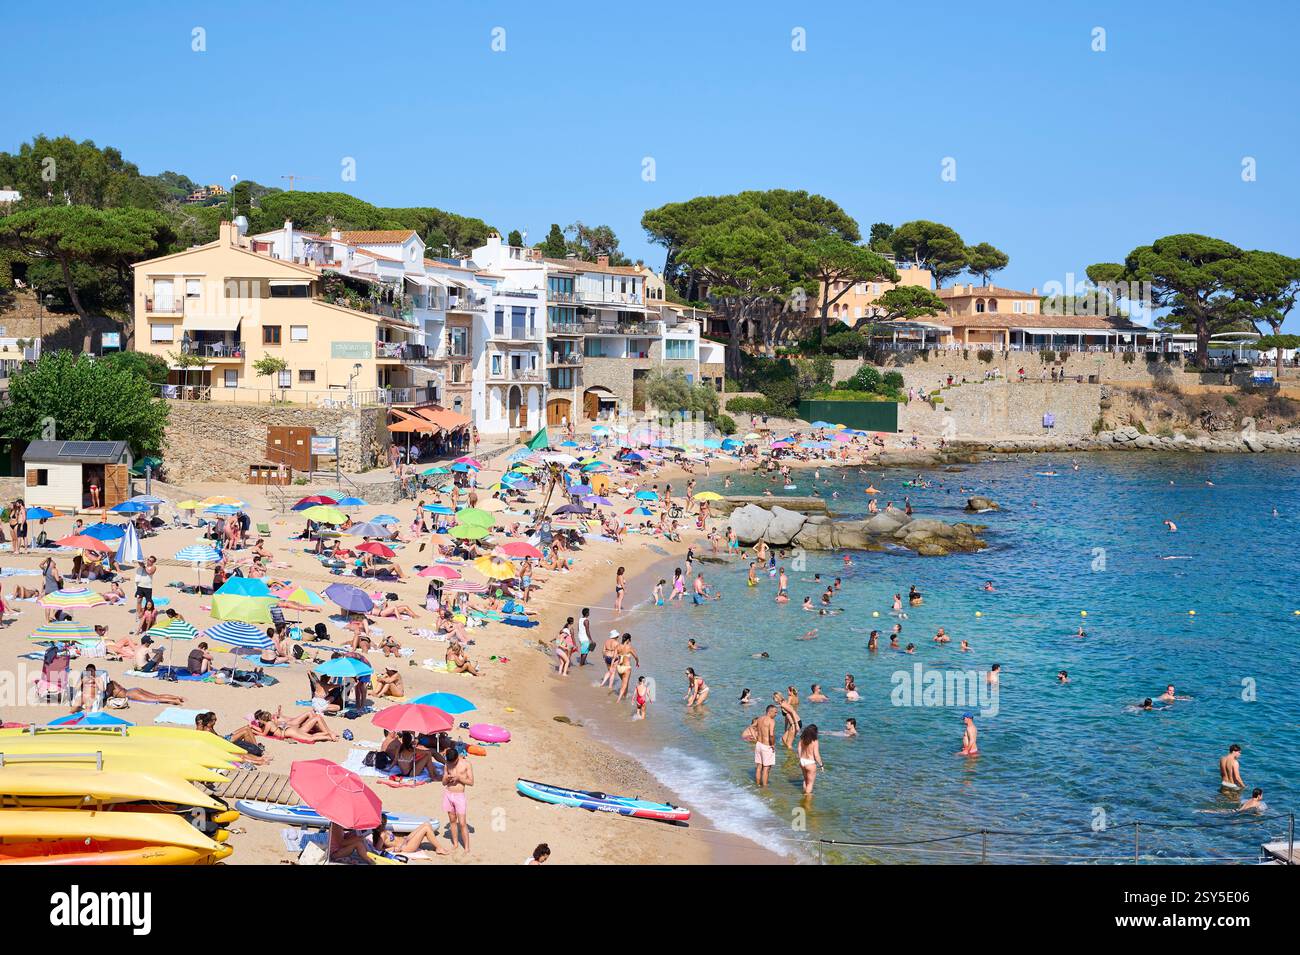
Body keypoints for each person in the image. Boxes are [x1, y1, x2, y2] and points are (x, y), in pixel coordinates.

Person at [441, 745, 473, 852]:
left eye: (453, 762)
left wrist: (459, 778)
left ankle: (467, 848)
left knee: (462, 823)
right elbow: (443, 783)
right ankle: (455, 844)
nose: (451, 765)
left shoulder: (466, 764)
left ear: (457, 758)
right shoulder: (447, 764)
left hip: (459, 796)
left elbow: (471, 782)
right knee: (452, 820)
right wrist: (447, 778)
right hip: (448, 794)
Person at [753, 704, 777, 787]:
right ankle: (765, 789)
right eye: (775, 712)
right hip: (766, 746)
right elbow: (771, 735)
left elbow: (752, 727)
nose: (776, 714)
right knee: (766, 768)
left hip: (758, 744)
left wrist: (755, 737)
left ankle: (758, 785)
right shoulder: (771, 721)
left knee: (759, 767)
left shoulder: (759, 719)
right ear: (770, 711)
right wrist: (773, 744)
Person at [797, 724, 823, 795]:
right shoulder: (815, 741)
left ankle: (804, 795)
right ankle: (806, 800)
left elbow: (798, 750)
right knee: (810, 783)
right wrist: (821, 765)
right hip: (810, 763)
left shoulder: (802, 739)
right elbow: (816, 755)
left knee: (805, 780)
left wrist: (800, 759)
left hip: (802, 761)